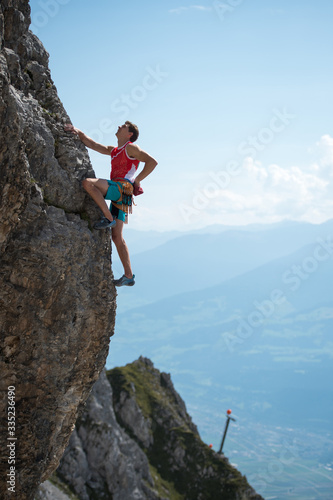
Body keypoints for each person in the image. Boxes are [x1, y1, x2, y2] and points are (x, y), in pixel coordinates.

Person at [64, 121, 158, 287]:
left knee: (88, 183)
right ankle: (129, 275)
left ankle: (108, 218)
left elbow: (152, 162)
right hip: (121, 193)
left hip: (122, 188)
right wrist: (77, 131)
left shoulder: (131, 148)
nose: (119, 127)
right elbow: (92, 143)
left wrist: (137, 179)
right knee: (116, 237)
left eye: (123, 126)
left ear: (129, 134)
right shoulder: (113, 151)